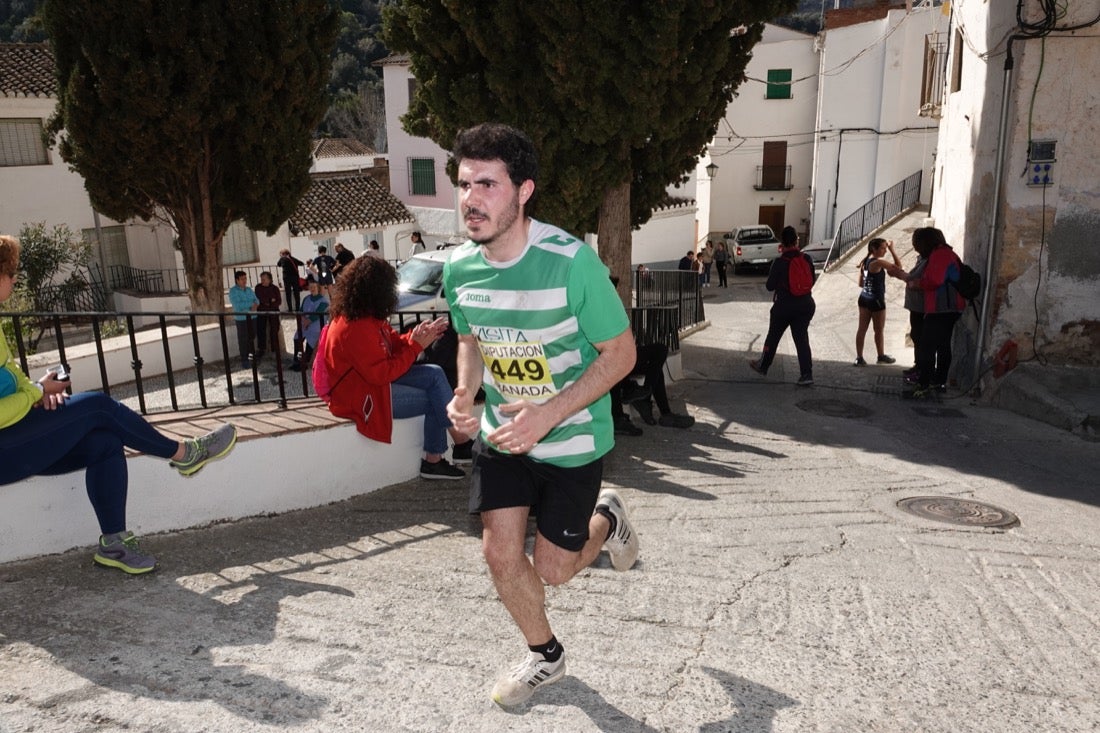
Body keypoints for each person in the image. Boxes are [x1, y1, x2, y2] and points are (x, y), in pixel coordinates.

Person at [443, 123, 640, 708]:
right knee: (499, 553)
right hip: (503, 437)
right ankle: (545, 656)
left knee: (553, 570)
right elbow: (471, 339)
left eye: (488, 184)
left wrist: (549, 415)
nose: (471, 199)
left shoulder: (572, 263)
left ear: (524, 190)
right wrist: (464, 395)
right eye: (463, 184)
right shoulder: (459, 269)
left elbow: (622, 354)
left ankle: (608, 520)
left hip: (572, 439)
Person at [0, 234, 237, 574]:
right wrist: (36, 392)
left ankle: (114, 544)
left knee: (106, 443)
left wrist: (39, 394)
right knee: (97, 405)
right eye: (12, 274)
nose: (15, 280)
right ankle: (184, 453)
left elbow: (12, 383)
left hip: (18, 437)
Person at [322, 256, 471, 479]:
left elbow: (391, 345)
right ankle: (449, 451)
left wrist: (416, 336)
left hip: (371, 385)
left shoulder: (365, 317)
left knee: (435, 374)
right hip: (361, 397)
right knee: (436, 395)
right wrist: (416, 346)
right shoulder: (355, 326)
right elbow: (382, 374)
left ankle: (450, 453)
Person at [748, 226, 817, 386]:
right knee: (801, 339)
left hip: (784, 306)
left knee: (773, 337)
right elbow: (811, 280)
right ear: (796, 241)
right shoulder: (806, 259)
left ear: (782, 243)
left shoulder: (779, 262)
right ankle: (807, 374)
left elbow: (769, 286)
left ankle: (763, 366)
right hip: (805, 305)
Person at [908, 226, 965, 398]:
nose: (917, 248)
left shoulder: (940, 255)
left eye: (917, 244)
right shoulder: (945, 253)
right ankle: (938, 383)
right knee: (942, 345)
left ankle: (925, 385)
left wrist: (917, 284)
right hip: (948, 307)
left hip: (943, 308)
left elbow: (934, 280)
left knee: (927, 345)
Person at [853, 238, 903, 366]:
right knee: (879, 330)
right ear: (874, 249)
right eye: (883, 248)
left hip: (864, 298)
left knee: (861, 329)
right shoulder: (878, 262)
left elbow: (860, 283)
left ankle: (859, 357)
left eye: (886, 248)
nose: (885, 250)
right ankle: (880, 355)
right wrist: (893, 250)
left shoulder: (865, 262)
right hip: (876, 300)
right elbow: (898, 268)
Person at [289, 276, 328, 371]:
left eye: (314, 287)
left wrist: (308, 321)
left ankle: (305, 363)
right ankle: (297, 360)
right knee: (297, 339)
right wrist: (303, 320)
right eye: (310, 287)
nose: (312, 289)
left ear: (318, 288)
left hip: (315, 325)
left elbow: (317, 314)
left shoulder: (323, 301)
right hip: (304, 324)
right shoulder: (306, 298)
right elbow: (301, 310)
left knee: (310, 343)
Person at [227, 270, 258, 369]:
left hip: (252, 317)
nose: (244, 281)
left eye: (245, 278)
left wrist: (255, 304)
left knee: (252, 337)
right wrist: (251, 304)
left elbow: (256, 300)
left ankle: (251, 356)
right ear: (237, 280)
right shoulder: (233, 291)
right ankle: (244, 359)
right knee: (243, 339)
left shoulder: (249, 289)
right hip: (241, 318)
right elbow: (237, 305)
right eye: (242, 279)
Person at [253, 271, 282, 362]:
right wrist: (270, 301)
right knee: (261, 329)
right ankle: (261, 348)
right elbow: (260, 299)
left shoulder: (275, 288)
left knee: (274, 329)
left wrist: (268, 302)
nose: (262, 281)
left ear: (269, 279)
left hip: (273, 311)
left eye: (264, 279)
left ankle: (275, 349)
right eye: (261, 279)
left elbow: (278, 301)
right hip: (262, 311)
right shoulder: (258, 288)